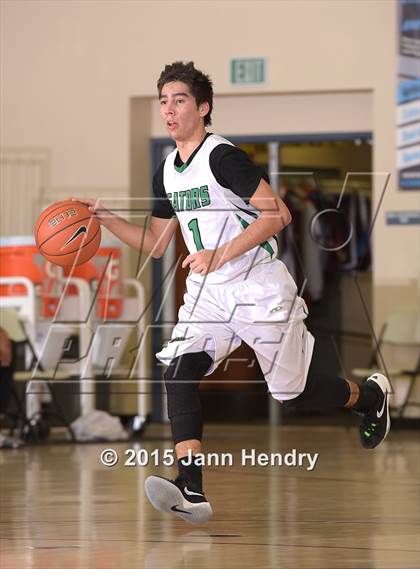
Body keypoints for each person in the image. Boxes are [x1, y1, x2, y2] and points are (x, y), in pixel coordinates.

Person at [76, 61, 391, 525]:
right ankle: (192, 489)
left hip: (258, 286)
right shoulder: (167, 171)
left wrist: (220, 253)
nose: (168, 108)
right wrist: (108, 222)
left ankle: (367, 397)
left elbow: (278, 214)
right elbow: (159, 242)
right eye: (163, 100)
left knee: (292, 395)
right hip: (210, 292)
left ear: (202, 108)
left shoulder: (222, 157)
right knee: (179, 374)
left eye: (179, 99)